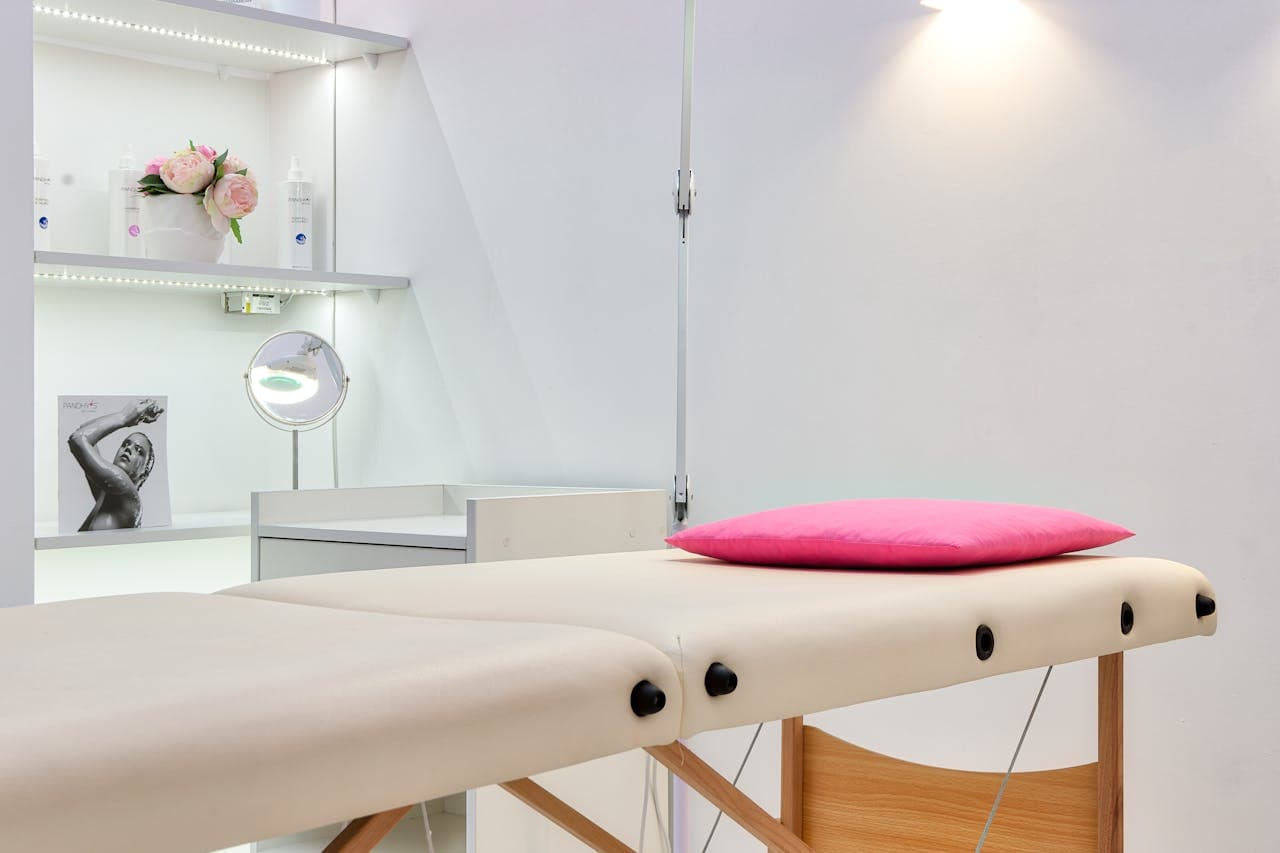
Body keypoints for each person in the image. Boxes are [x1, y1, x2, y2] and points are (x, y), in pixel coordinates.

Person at [67, 398, 164, 532]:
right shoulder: (106, 494)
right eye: (125, 444)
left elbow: (78, 439)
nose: (128, 449)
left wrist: (123, 417)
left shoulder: (124, 490)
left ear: (144, 473)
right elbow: (84, 430)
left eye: (139, 451)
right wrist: (136, 418)